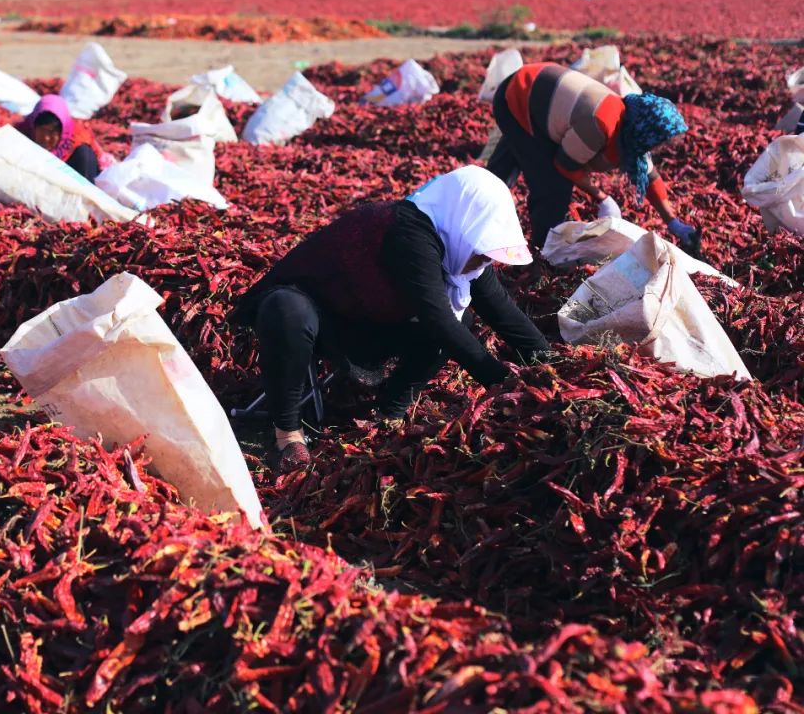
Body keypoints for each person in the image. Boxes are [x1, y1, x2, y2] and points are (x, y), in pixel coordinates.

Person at [233, 166, 550, 473]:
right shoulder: (409, 234)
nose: (483, 259)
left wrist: (547, 363)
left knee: (460, 320)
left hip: (368, 324)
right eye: (483, 249)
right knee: (286, 308)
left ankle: (390, 408)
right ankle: (286, 434)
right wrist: (502, 384)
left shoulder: (461, 244)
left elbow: (500, 308)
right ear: (466, 220)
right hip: (321, 318)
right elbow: (437, 319)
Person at [487, 62, 698, 250]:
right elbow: (565, 165)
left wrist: (672, 222)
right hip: (519, 93)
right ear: (646, 131)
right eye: (659, 140)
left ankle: (480, 205)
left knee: (503, 171)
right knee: (553, 187)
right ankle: (539, 253)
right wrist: (601, 197)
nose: (660, 147)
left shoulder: (631, 125)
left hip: (539, 94)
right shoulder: (600, 124)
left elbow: (650, 176)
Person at [16, 94, 112, 183]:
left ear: (63, 131)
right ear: (33, 126)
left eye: (52, 132)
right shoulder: (21, 132)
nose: (46, 138)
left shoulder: (79, 147)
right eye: (42, 130)